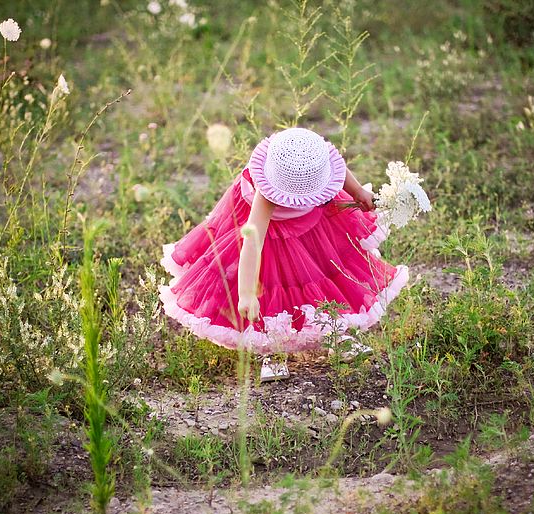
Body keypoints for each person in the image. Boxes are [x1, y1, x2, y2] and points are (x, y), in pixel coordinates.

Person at [159, 127, 408, 381]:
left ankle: (337, 331)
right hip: (269, 235)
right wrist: (245, 294)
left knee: (326, 268)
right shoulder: (266, 196)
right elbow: (252, 244)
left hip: (312, 225)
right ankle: (273, 350)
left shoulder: (315, 161)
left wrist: (358, 192)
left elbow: (338, 168)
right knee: (272, 285)